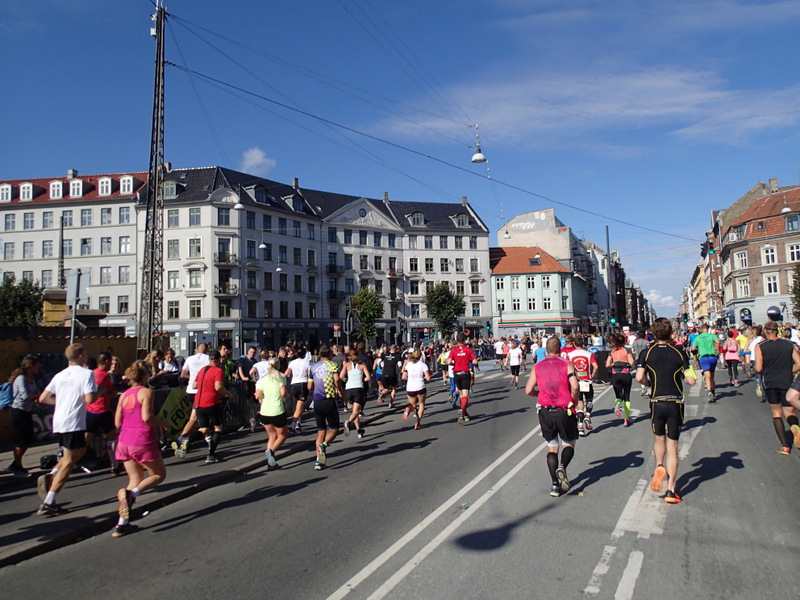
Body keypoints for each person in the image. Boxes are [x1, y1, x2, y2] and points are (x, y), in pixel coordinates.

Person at [636, 317, 696, 504]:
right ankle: (671, 489)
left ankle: (659, 465)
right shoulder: (679, 353)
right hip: (675, 402)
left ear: (653, 333)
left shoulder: (646, 353)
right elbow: (691, 380)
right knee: (673, 445)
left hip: (656, 401)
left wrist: (649, 383)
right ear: (671, 333)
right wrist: (685, 377)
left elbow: (639, 378)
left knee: (658, 439)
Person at [36, 343, 98, 516]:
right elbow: (90, 398)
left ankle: (52, 473)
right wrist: (99, 392)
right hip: (73, 421)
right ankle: (49, 501)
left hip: (60, 420)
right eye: (84, 354)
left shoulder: (60, 375)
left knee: (78, 452)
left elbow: (43, 398)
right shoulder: (87, 374)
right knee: (70, 461)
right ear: (80, 356)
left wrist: (62, 401)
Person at [113, 360, 168, 537]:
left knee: (134, 479)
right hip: (142, 440)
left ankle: (122, 524)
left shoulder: (124, 395)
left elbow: (116, 422)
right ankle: (132, 494)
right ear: (144, 377)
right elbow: (146, 417)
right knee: (159, 475)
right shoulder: (146, 392)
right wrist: (162, 423)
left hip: (124, 442)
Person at [525, 336, 581, 497]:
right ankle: (562, 466)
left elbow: (528, 390)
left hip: (545, 409)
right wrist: (573, 399)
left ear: (546, 349)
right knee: (569, 443)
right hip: (564, 409)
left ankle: (555, 485)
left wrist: (539, 393)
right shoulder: (566, 364)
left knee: (552, 446)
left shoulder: (538, 366)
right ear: (560, 349)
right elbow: (575, 385)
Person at [753, 320, 800, 455]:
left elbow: (758, 368)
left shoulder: (761, 346)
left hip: (770, 382)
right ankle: (795, 427)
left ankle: (785, 446)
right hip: (787, 381)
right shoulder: (788, 344)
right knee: (789, 412)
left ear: (766, 331)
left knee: (776, 413)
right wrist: (790, 370)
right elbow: (799, 363)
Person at [308, 345, 343, 470]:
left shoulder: (313, 367)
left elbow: (309, 386)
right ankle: (324, 445)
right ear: (329, 355)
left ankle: (319, 460)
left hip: (317, 401)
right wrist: (338, 389)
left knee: (320, 431)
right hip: (329, 400)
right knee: (334, 429)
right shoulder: (333, 365)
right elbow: (337, 379)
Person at [6, 354, 41, 477]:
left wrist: (39, 396)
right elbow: (25, 396)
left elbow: (37, 392)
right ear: (31, 366)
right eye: (37, 365)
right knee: (20, 440)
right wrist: (37, 397)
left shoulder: (31, 378)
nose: (38, 367)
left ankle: (15, 464)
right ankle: (18, 467)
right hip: (18, 412)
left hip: (26, 412)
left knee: (28, 439)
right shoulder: (21, 379)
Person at [193, 350, 231, 463]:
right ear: (219, 359)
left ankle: (188, 440)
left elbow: (194, 385)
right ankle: (211, 454)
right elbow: (218, 387)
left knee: (204, 429)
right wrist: (227, 393)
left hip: (199, 403)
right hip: (211, 402)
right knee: (218, 427)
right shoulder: (218, 370)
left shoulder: (202, 370)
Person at [86, 352, 120, 473]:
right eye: (110, 362)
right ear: (106, 362)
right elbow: (102, 390)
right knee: (112, 437)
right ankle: (115, 466)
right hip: (102, 410)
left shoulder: (91, 373)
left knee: (86, 440)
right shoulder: (104, 376)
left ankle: (68, 464)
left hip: (89, 411)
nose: (111, 364)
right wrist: (112, 393)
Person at [173, 343, 209, 458]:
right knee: (196, 419)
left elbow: (183, 374)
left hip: (190, 390)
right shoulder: (208, 359)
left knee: (197, 418)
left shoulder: (189, 358)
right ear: (206, 350)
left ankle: (209, 443)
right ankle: (182, 440)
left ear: (196, 350)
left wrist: (193, 377)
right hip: (202, 392)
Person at [254, 356, 289, 469]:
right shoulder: (281, 377)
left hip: (265, 412)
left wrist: (264, 398)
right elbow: (283, 392)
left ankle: (270, 463)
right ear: (278, 366)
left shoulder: (263, 380)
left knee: (272, 435)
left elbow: (257, 395)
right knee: (283, 435)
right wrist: (287, 395)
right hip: (277, 410)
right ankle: (271, 451)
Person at [568, 334, 598, 436]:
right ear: (583, 344)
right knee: (589, 400)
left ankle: (580, 426)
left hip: (576, 381)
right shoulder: (588, 354)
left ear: (574, 344)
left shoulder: (570, 355)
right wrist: (592, 375)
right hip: (587, 381)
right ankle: (588, 416)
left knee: (579, 403)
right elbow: (596, 366)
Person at [448, 332, 478, 424]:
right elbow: (475, 362)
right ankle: (462, 409)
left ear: (457, 340)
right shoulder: (468, 349)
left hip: (456, 373)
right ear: (464, 340)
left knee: (461, 394)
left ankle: (464, 413)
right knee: (465, 394)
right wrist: (469, 360)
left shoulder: (454, 350)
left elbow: (448, 361)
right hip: (465, 372)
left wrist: (455, 363)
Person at [606, 333, 635, 426]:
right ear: (624, 341)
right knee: (627, 396)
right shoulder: (627, 350)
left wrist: (614, 364)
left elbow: (607, 365)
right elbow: (631, 362)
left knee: (618, 395)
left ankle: (617, 403)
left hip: (615, 375)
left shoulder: (612, 351)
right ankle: (626, 419)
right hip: (625, 374)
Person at [342, 349, 371, 437]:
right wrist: (362, 380)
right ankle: (348, 422)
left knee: (354, 411)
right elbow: (368, 377)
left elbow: (341, 376)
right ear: (357, 355)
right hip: (358, 388)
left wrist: (346, 379)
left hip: (348, 389)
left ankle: (359, 431)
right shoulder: (362, 365)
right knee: (356, 412)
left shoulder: (347, 365)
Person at [401, 349, 431, 429]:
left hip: (410, 387)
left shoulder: (408, 364)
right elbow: (428, 378)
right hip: (420, 387)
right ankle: (418, 423)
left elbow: (403, 377)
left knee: (413, 406)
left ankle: (408, 409)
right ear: (420, 355)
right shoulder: (423, 365)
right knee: (421, 405)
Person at [692, 324, 721, 402]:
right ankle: (713, 391)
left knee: (707, 375)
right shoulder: (712, 336)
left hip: (703, 357)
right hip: (712, 356)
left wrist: (696, 349)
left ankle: (709, 392)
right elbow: (718, 342)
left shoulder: (698, 338)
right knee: (712, 374)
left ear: (701, 329)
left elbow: (693, 348)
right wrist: (717, 349)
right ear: (708, 329)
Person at [286, 347, 311, 435]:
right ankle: (293, 426)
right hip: (302, 383)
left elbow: (287, 374)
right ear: (304, 354)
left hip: (293, 384)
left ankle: (298, 423)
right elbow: (309, 374)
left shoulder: (292, 362)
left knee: (298, 405)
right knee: (300, 406)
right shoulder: (307, 362)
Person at [379, 344, 401, 409]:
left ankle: (381, 394)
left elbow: (378, 362)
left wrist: (381, 368)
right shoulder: (397, 356)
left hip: (385, 373)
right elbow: (400, 365)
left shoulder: (385, 355)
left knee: (386, 389)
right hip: (392, 374)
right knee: (394, 388)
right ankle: (391, 403)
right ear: (394, 349)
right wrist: (400, 370)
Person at [631, 331, 650, 396]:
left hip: (637, 359)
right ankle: (647, 385)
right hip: (646, 358)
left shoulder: (635, 342)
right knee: (646, 373)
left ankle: (643, 386)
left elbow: (633, 351)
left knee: (640, 374)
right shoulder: (646, 342)